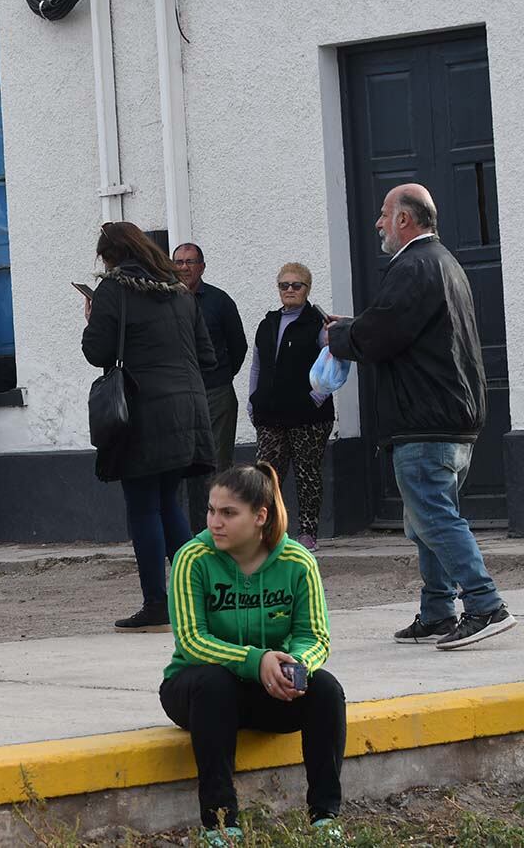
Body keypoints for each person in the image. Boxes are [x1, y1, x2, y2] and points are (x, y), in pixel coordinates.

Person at [328, 183, 517, 650]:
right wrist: (354, 331)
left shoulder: (412, 265)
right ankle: (437, 612)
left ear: (405, 220)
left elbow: (383, 332)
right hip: (452, 416)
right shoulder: (446, 263)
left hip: (425, 419)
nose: (377, 223)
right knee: (428, 518)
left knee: (434, 517)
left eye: (383, 214)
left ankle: (485, 604)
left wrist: (339, 336)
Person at [160, 462, 345, 844]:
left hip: (269, 691)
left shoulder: (297, 562)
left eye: (229, 513)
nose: (215, 522)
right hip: (196, 691)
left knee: (326, 689)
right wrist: (255, 659)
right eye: (212, 510)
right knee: (214, 683)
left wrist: (297, 666)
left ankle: (325, 819)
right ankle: (220, 824)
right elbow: (192, 640)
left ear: (260, 516)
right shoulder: (192, 559)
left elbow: (314, 636)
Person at [82, 222, 216, 632]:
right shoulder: (180, 292)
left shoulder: (113, 290)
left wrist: (91, 318)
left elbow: (96, 351)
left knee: (143, 508)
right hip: (187, 409)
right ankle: (207, 592)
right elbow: (207, 356)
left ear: (111, 256)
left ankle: (157, 602)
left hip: (142, 412)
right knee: (168, 504)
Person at [247, 263, 334, 552]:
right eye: (284, 285)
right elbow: (258, 363)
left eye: (296, 285)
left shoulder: (318, 325)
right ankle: (267, 532)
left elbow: (336, 364)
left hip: (308, 417)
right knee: (266, 476)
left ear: (307, 289)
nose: (289, 290)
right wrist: (253, 399)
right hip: (270, 414)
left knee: (308, 475)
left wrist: (317, 397)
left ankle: (308, 533)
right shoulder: (268, 323)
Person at [175, 243, 248, 532]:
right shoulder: (164, 301)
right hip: (179, 397)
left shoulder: (219, 302)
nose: (184, 267)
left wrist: (221, 377)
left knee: (216, 467)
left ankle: (221, 533)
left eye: (190, 262)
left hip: (216, 393)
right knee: (182, 466)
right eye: (179, 262)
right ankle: (191, 534)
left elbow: (238, 346)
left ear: (202, 267)